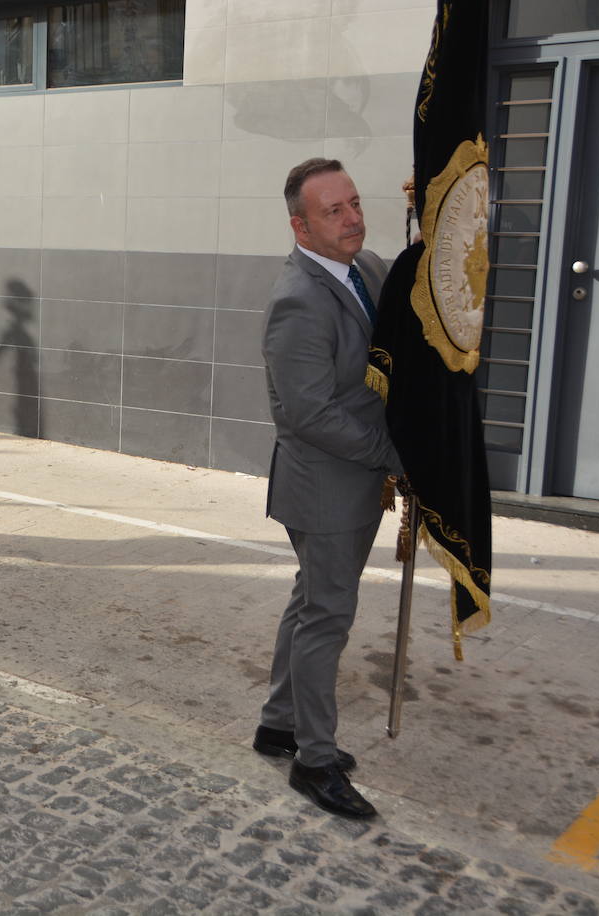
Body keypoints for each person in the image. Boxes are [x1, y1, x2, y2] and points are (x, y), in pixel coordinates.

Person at [254, 157, 403, 820]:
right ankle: (313, 761)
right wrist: (393, 456)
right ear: (300, 226)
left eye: (354, 203)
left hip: (357, 480)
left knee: (309, 598)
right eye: (333, 212)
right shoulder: (299, 299)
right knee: (326, 619)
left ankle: (278, 726)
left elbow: (401, 323)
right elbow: (304, 413)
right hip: (327, 490)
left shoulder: (365, 266)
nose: (353, 219)